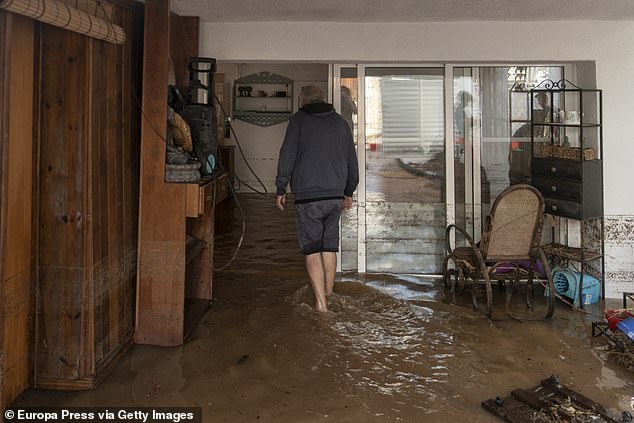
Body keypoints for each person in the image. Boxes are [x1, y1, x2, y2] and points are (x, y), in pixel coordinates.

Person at [275, 85, 359, 313]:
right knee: (329, 246)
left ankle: (321, 305)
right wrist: (349, 191)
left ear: (303, 100)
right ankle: (330, 294)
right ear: (323, 99)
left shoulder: (298, 121)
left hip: (308, 197)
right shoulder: (341, 123)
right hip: (335, 197)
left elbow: (287, 155)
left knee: (312, 249)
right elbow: (352, 161)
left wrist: (280, 188)